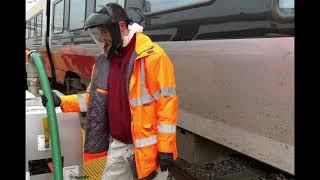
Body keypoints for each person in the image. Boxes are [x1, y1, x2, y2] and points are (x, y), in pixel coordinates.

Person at [41, 3, 178, 180]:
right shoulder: (105, 60)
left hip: (147, 147)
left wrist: (165, 147)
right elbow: (94, 99)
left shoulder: (152, 56)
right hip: (119, 144)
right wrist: (63, 102)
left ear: (120, 27)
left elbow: (167, 103)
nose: (101, 37)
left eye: (104, 31)